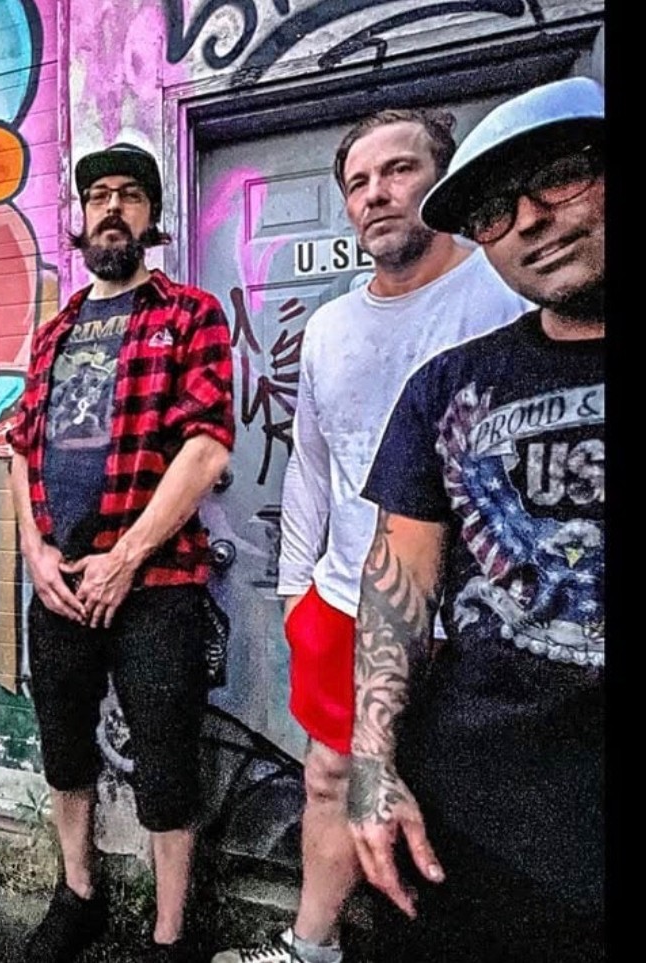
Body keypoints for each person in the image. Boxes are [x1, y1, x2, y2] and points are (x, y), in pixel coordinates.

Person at [210, 109, 529, 963]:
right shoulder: (332, 327)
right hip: (348, 601)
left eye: (399, 170)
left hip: (482, 619)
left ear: (443, 179)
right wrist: (296, 592)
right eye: (357, 182)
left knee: (474, 802)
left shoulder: (505, 292)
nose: (376, 194)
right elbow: (312, 467)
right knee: (332, 780)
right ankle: (312, 945)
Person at [347, 76, 605, 961]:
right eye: (496, 210)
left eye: (560, 177)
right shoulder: (448, 389)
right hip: (467, 829)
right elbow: (399, 587)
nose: (531, 220)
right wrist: (373, 767)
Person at [7, 142, 235, 963]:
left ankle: (170, 933)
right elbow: (20, 448)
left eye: (130, 195)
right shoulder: (54, 333)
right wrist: (35, 553)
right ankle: (79, 893)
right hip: (60, 584)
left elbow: (207, 447)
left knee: (166, 767)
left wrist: (127, 557)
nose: (111, 207)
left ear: (151, 216)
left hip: (158, 584)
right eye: (98, 194)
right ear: (79, 216)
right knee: (65, 753)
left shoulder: (190, 315)